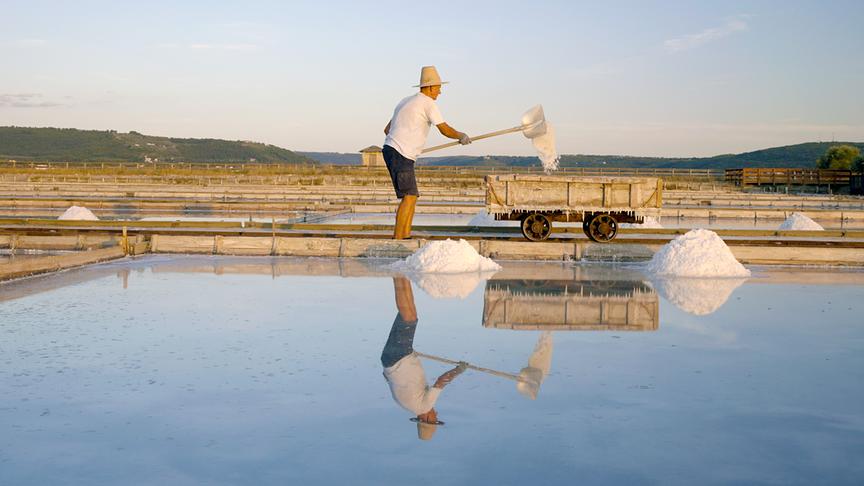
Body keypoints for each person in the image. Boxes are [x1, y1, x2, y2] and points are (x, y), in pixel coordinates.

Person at [383, 66, 471, 239]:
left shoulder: (405, 101)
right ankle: (398, 239)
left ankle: (405, 237)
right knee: (409, 197)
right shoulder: (428, 103)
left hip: (394, 150)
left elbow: (387, 130)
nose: (440, 92)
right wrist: (461, 136)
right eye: (438, 88)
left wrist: (410, 142)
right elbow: (444, 129)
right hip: (401, 153)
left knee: (412, 196)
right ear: (429, 87)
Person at [381, 276, 467, 440]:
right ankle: (402, 274)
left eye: (435, 419)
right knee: (410, 316)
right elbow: (390, 380)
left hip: (399, 358)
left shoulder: (424, 406)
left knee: (409, 318)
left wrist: (458, 370)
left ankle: (397, 274)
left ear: (426, 419)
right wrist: (409, 356)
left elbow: (441, 382)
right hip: (389, 360)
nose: (436, 414)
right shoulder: (405, 405)